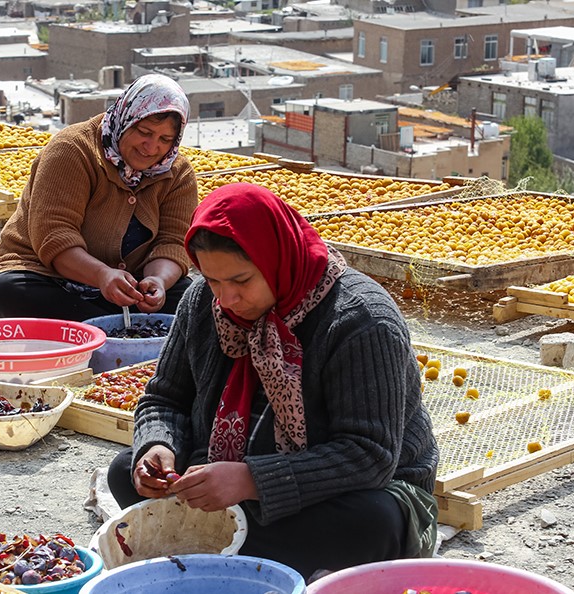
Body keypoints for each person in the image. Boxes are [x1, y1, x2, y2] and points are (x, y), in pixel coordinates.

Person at [106, 183, 439, 580]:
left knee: (375, 523)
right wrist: (158, 446)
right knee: (126, 470)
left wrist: (252, 480)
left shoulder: (361, 321)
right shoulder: (202, 302)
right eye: (213, 280)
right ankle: (238, 550)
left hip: (348, 490)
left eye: (241, 280)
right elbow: (165, 398)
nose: (227, 299)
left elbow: (369, 454)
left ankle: (219, 550)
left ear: (276, 258)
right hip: (224, 470)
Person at [0, 74, 198, 322]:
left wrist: (157, 280)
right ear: (126, 119)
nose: (151, 147)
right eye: (144, 132)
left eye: (165, 140)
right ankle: (112, 328)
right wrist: (102, 275)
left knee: (196, 298)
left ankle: (103, 326)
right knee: (7, 292)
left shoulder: (177, 173)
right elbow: (54, 235)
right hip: (50, 277)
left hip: (128, 289)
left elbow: (174, 242)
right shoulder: (73, 150)